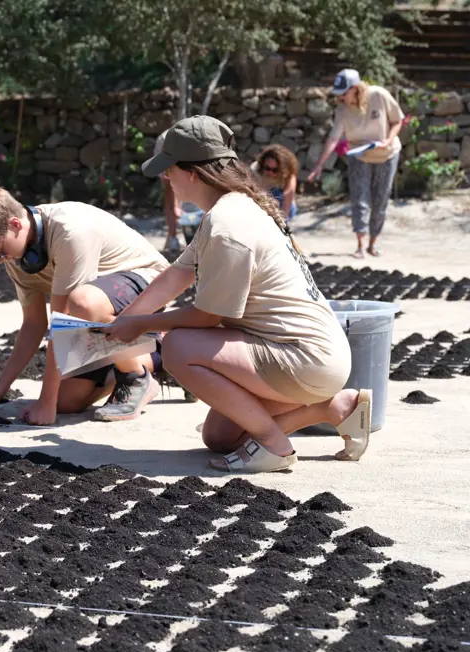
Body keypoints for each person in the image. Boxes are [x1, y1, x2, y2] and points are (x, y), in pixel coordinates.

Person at [105, 115, 373, 474]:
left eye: (169, 170)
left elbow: (206, 317)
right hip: (309, 354)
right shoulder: (230, 209)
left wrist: (145, 325)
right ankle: (335, 407)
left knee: (178, 346)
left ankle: (273, 447)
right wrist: (123, 322)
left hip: (304, 356)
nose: (165, 179)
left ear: (192, 173)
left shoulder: (226, 225)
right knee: (220, 436)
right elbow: (175, 277)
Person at [0, 186, 171, 425]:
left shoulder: (68, 232)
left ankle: (135, 377)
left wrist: (45, 403)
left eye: (1, 252)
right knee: (67, 402)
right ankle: (163, 359)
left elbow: (63, 323)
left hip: (149, 283)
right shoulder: (17, 256)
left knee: (82, 303)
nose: (2, 260)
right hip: (103, 313)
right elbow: (34, 324)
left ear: (15, 224)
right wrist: (1, 386)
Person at [308, 68, 404, 258]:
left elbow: (397, 120)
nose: (341, 97)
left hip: (387, 154)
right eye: (339, 94)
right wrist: (320, 164)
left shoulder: (379, 95)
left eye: (344, 93)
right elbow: (334, 138)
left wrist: (388, 139)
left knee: (380, 200)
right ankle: (360, 246)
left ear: (356, 88)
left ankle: (373, 244)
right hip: (359, 156)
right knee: (360, 199)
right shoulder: (342, 110)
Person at [251, 144, 299, 223]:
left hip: (282, 205)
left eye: (275, 170)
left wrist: (282, 223)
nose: (270, 172)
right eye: (267, 168)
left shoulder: (288, 176)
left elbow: (286, 204)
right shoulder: (255, 170)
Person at [157, 130, 184, 251]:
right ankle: (172, 237)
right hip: (167, 159)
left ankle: (172, 237)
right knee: (171, 196)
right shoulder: (164, 140)